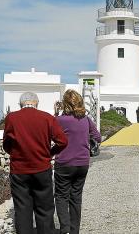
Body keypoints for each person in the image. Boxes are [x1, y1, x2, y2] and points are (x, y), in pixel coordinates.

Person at [3, 92, 68, 234]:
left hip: (19, 171)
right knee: (44, 209)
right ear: (36, 103)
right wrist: (49, 154)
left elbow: (6, 144)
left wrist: (16, 154)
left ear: (20, 104)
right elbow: (63, 141)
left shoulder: (12, 118)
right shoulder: (47, 118)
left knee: (22, 209)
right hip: (42, 168)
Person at [54, 89, 102, 234]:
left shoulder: (59, 120)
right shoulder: (86, 119)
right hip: (82, 164)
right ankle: (74, 231)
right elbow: (98, 138)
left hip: (64, 163)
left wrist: (56, 113)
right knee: (76, 197)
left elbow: (49, 134)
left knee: (62, 196)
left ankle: (65, 229)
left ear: (65, 104)